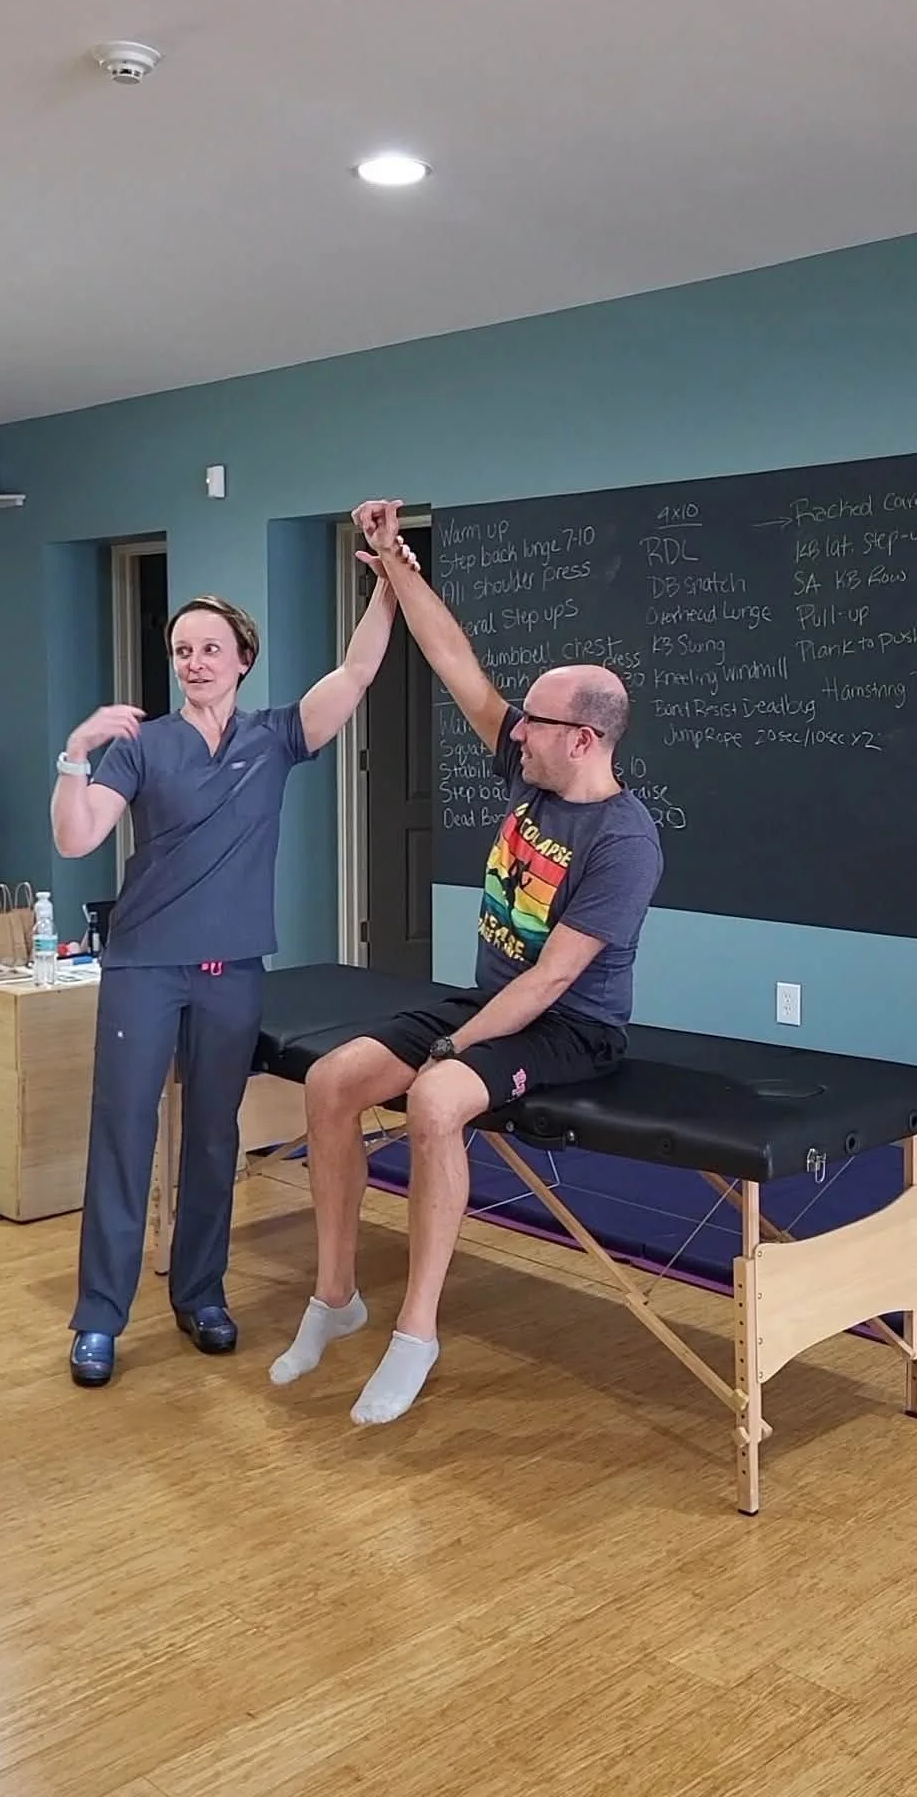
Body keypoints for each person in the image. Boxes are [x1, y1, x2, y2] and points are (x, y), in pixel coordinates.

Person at [270, 498, 664, 1426]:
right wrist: (392, 562)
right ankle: (336, 1296)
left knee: (436, 1101)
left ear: (583, 737)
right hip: (491, 1004)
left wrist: (453, 1053)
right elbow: (455, 663)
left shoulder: (622, 839)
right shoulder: (528, 766)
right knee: (331, 1081)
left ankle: (415, 1330)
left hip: (573, 1030)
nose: (511, 728)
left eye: (532, 720)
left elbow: (553, 979)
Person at [53, 566, 406, 1387]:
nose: (195, 662)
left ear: (243, 657)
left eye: (210, 648)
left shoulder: (277, 736)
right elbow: (76, 839)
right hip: (144, 966)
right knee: (123, 1136)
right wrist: (75, 754)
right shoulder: (141, 747)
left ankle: (200, 1294)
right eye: (182, 650)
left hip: (230, 972)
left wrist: (388, 582)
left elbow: (355, 673)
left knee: (215, 1137)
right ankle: (98, 1318)